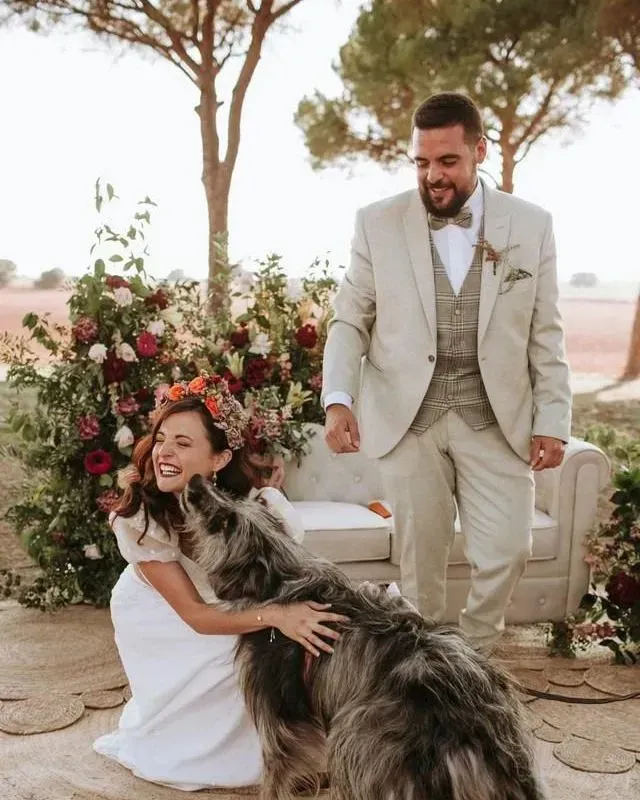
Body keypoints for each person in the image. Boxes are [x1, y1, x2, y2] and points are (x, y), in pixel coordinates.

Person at [322, 92, 571, 654]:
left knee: (509, 549)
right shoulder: (377, 223)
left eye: (447, 161)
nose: (432, 175)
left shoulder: (531, 225)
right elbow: (349, 321)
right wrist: (339, 398)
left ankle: (474, 660)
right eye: (421, 161)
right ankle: (423, 680)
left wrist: (553, 417)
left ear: (479, 150)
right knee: (420, 573)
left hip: (496, 417)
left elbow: (545, 333)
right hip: (408, 419)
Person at [93, 374, 347, 791]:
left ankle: (310, 737)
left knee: (300, 640)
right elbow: (196, 615)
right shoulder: (142, 518)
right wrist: (278, 616)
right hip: (163, 613)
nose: (165, 452)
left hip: (226, 606)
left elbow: (287, 579)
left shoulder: (256, 508)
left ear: (219, 460)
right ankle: (242, 754)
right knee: (238, 655)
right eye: (161, 438)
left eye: (184, 443)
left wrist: (302, 614)